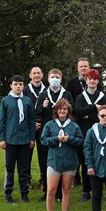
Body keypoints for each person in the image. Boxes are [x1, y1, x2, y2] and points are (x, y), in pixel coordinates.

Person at [40, 99, 83, 211]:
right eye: (60, 109)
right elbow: (43, 140)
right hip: (54, 161)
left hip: (69, 161)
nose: (62, 111)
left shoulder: (74, 125)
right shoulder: (50, 125)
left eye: (65, 109)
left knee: (66, 189)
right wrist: (56, 139)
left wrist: (70, 139)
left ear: (68, 111)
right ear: (56, 111)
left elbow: (81, 141)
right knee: (51, 189)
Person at [35, 68, 74, 201]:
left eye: (57, 77)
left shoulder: (66, 94)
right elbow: (37, 112)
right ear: (48, 79)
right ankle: (47, 191)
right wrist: (43, 106)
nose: (55, 79)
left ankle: (59, 193)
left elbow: (71, 111)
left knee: (60, 162)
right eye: (52, 77)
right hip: (47, 133)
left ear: (61, 79)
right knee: (45, 162)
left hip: (63, 133)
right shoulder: (43, 94)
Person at [0, 75, 36, 204]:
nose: (18, 86)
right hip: (10, 140)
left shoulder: (27, 101)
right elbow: (2, 121)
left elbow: (31, 121)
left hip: (24, 140)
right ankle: (8, 193)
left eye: (20, 84)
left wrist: (32, 138)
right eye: (16, 84)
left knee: (24, 168)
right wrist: (2, 138)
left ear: (23, 86)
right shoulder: (6, 101)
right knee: (10, 168)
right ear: (11, 85)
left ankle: (24, 193)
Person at [74, 68, 106, 203]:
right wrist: (94, 107)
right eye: (90, 78)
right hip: (84, 134)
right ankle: (86, 191)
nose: (92, 81)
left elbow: (105, 114)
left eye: (95, 79)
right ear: (86, 80)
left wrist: (88, 115)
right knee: (85, 162)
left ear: (97, 81)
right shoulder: (80, 97)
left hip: (100, 133)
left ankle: (98, 191)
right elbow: (77, 112)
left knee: (99, 161)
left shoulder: (103, 96)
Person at [23, 66, 46, 190]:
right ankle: (27, 180)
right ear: (30, 75)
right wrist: (31, 124)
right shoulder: (25, 91)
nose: (36, 75)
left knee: (44, 156)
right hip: (28, 127)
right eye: (34, 73)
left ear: (42, 75)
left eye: (39, 73)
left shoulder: (47, 90)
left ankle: (44, 180)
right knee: (27, 155)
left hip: (43, 126)